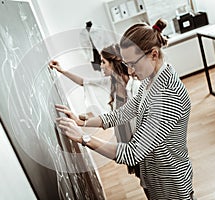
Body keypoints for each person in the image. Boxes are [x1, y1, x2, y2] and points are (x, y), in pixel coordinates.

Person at [56, 18, 194, 200]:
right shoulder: (150, 79)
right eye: (127, 64)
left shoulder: (167, 96)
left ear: (153, 54)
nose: (129, 71)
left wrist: (84, 138)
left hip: (170, 184)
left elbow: (133, 153)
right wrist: (83, 121)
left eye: (133, 64)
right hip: (153, 174)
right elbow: (126, 111)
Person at [49, 44, 140, 144]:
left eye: (103, 62)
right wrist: (62, 70)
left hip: (138, 139)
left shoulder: (136, 87)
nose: (101, 66)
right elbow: (84, 82)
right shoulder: (111, 83)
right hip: (124, 139)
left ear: (113, 63)